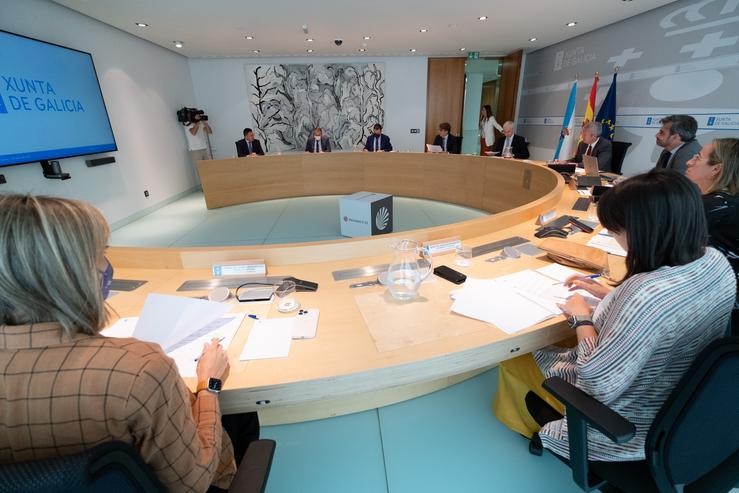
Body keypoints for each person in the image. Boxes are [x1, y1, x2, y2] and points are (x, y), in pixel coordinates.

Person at [0, 194, 258, 492]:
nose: (107, 266)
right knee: (240, 415)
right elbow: (194, 483)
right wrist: (209, 384)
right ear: (71, 272)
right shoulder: (139, 369)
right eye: (100, 253)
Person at [493, 169, 735, 462]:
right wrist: (610, 296)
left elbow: (596, 380)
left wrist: (581, 317)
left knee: (516, 354)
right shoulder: (714, 261)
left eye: (616, 232)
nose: (616, 239)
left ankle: (529, 425)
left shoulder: (646, 293)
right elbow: (671, 315)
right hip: (683, 401)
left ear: (643, 231)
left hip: (629, 424)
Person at [686, 138, 739, 334]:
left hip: (711, 311)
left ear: (716, 169)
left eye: (697, 158)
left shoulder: (713, 206)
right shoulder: (729, 201)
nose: (689, 162)